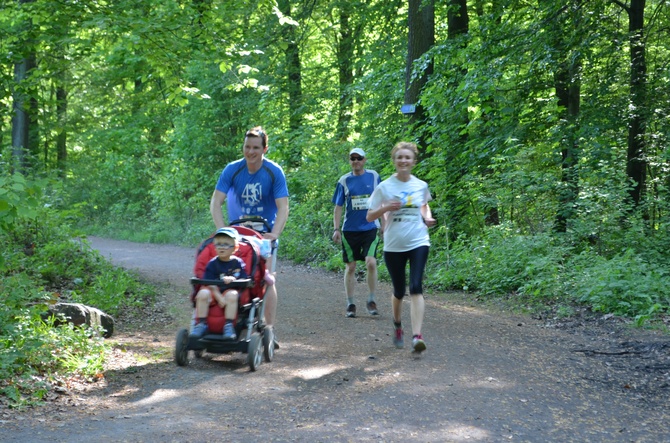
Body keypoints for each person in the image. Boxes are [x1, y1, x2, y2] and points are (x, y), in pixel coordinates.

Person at [210, 126, 289, 347]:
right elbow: (216, 202)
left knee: (266, 278)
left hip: (264, 234)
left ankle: (269, 330)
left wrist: (275, 234)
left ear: (265, 148)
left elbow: (283, 207)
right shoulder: (232, 170)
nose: (250, 152)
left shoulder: (274, 172)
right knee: (230, 273)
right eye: (247, 147)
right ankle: (226, 322)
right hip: (237, 233)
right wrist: (221, 229)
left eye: (256, 147)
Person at [366, 142, 436, 353]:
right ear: (394, 161)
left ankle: (417, 336)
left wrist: (427, 217)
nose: (403, 161)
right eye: (400, 157)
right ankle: (397, 324)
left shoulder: (420, 185)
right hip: (394, 244)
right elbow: (369, 216)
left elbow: (423, 204)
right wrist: (386, 207)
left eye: (407, 157)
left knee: (416, 287)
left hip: (418, 241)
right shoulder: (385, 187)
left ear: (413, 161)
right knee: (399, 291)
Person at [332, 147, 382, 318]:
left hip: (370, 227)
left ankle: (371, 299)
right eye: (352, 158)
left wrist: (383, 224)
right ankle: (350, 303)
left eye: (359, 158)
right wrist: (336, 229)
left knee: (371, 262)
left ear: (364, 160)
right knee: (351, 266)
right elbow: (338, 207)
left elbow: (381, 200)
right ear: (349, 161)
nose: (356, 161)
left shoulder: (374, 176)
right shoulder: (344, 181)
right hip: (350, 230)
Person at [190, 227, 248, 340]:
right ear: (214, 247)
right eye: (218, 244)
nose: (222, 247)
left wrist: (232, 278)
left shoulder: (238, 263)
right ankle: (201, 324)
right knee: (202, 294)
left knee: (233, 295)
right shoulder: (212, 263)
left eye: (226, 244)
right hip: (213, 290)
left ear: (235, 248)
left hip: (229, 290)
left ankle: (228, 325)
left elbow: (243, 278)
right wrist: (218, 296)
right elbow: (209, 282)